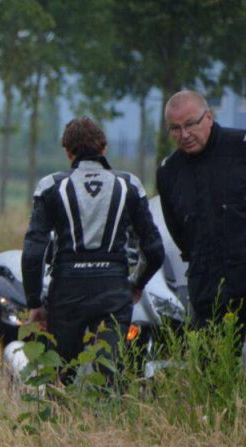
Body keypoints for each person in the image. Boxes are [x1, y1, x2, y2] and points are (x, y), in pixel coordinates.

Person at [21, 117, 164, 379]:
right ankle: (106, 418)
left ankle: (61, 416)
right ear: (104, 147)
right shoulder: (129, 185)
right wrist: (137, 284)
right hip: (113, 289)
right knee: (108, 375)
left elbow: (33, 253)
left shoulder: (51, 185)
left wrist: (34, 303)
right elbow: (154, 250)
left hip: (66, 290)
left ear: (68, 151)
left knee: (60, 375)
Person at [156, 90, 246, 344]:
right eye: (175, 129)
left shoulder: (240, 148)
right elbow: (179, 233)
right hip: (206, 294)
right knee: (212, 372)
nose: (184, 135)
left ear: (209, 117)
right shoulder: (168, 172)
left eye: (190, 125)